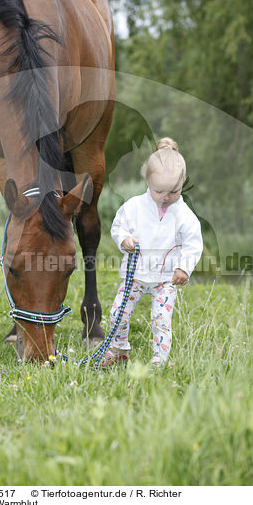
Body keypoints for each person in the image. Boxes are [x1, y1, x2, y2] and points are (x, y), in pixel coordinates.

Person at [104, 137, 203, 367]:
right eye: (159, 191)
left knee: (160, 318)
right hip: (135, 276)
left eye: (174, 191)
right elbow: (118, 226)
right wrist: (124, 239)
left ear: (183, 184)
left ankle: (159, 360)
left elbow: (193, 243)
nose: (165, 197)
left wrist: (183, 268)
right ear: (147, 181)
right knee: (118, 312)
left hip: (165, 279)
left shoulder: (185, 215)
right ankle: (119, 350)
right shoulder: (133, 206)